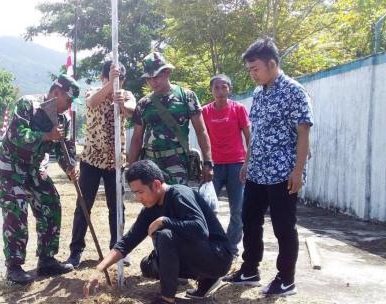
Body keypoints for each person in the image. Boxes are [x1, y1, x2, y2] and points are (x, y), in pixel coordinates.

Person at [223, 38, 313, 296]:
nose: (252, 74)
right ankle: (250, 269)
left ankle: (286, 279)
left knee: (284, 226)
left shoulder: (294, 91)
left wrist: (298, 171)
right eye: (249, 69)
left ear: (271, 64)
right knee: (249, 220)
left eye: (255, 69)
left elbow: (303, 132)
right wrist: (247, 163)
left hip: (283, 173)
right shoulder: (258, 92)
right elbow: (258, 132)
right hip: (257, 171)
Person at [83, 160, 232, 304]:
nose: (137, 198)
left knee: (165, 235)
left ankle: (167, 299)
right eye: (135, 193)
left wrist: (164, 221)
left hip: (218, 257)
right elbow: (128, 241)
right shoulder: (150, 208)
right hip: (199, 254)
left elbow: (200, 230)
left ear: (156, 184)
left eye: (140, 192)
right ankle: (206, 279)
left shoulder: (179, 194)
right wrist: (99, 269)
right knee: (148, 266)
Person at [0, 74, 81, 285]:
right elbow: (15, 135)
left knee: (51, 202)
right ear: (56, 92)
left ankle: (47, 259)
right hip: (11, 165)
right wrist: (46, 136)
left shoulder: (64, 119)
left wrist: (70, 167)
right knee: (17, 210)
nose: (69, 105)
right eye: (68, 100)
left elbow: (65, 150)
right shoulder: (28, 105)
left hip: (34, 167)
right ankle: (14, 267)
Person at [66, 61, 136, 267]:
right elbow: (92, 103)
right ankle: (75, 251)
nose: (117, 82)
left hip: (115, 161)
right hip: (91, 160)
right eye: (112, 77)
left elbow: (132, 110)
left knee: (117, 207)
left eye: (120, 79)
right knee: (83, 205)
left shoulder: (127, 94)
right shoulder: (93, 91)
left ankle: (118, 249)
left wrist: (121, 101)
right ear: (102, 77)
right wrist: (109, 85)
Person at [128, 52, 214, 185]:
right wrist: (131, 167)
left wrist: (208, 162)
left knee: (177, 202)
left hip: (178, 163)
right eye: (149, 78)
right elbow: (137, 137)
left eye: (157, 76)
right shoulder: (144, 103)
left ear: (167, 72)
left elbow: (201, 131)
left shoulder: (187, 96)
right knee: (153, 205)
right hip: (151, 165)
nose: (153, 81)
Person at [202, 74, 251, 258]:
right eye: (216, 88)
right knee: (206, 207)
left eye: (224, 87)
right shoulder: (205, 112)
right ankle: (210, 244)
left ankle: (231, 248)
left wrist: (247, 162)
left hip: (236, 165)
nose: (220, 91)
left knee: (237, 210)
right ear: (211, 91)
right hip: (214, 167)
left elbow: (249, 136)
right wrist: (205, 163)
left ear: (230, 89)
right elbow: (201, 136)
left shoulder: (238, 109)